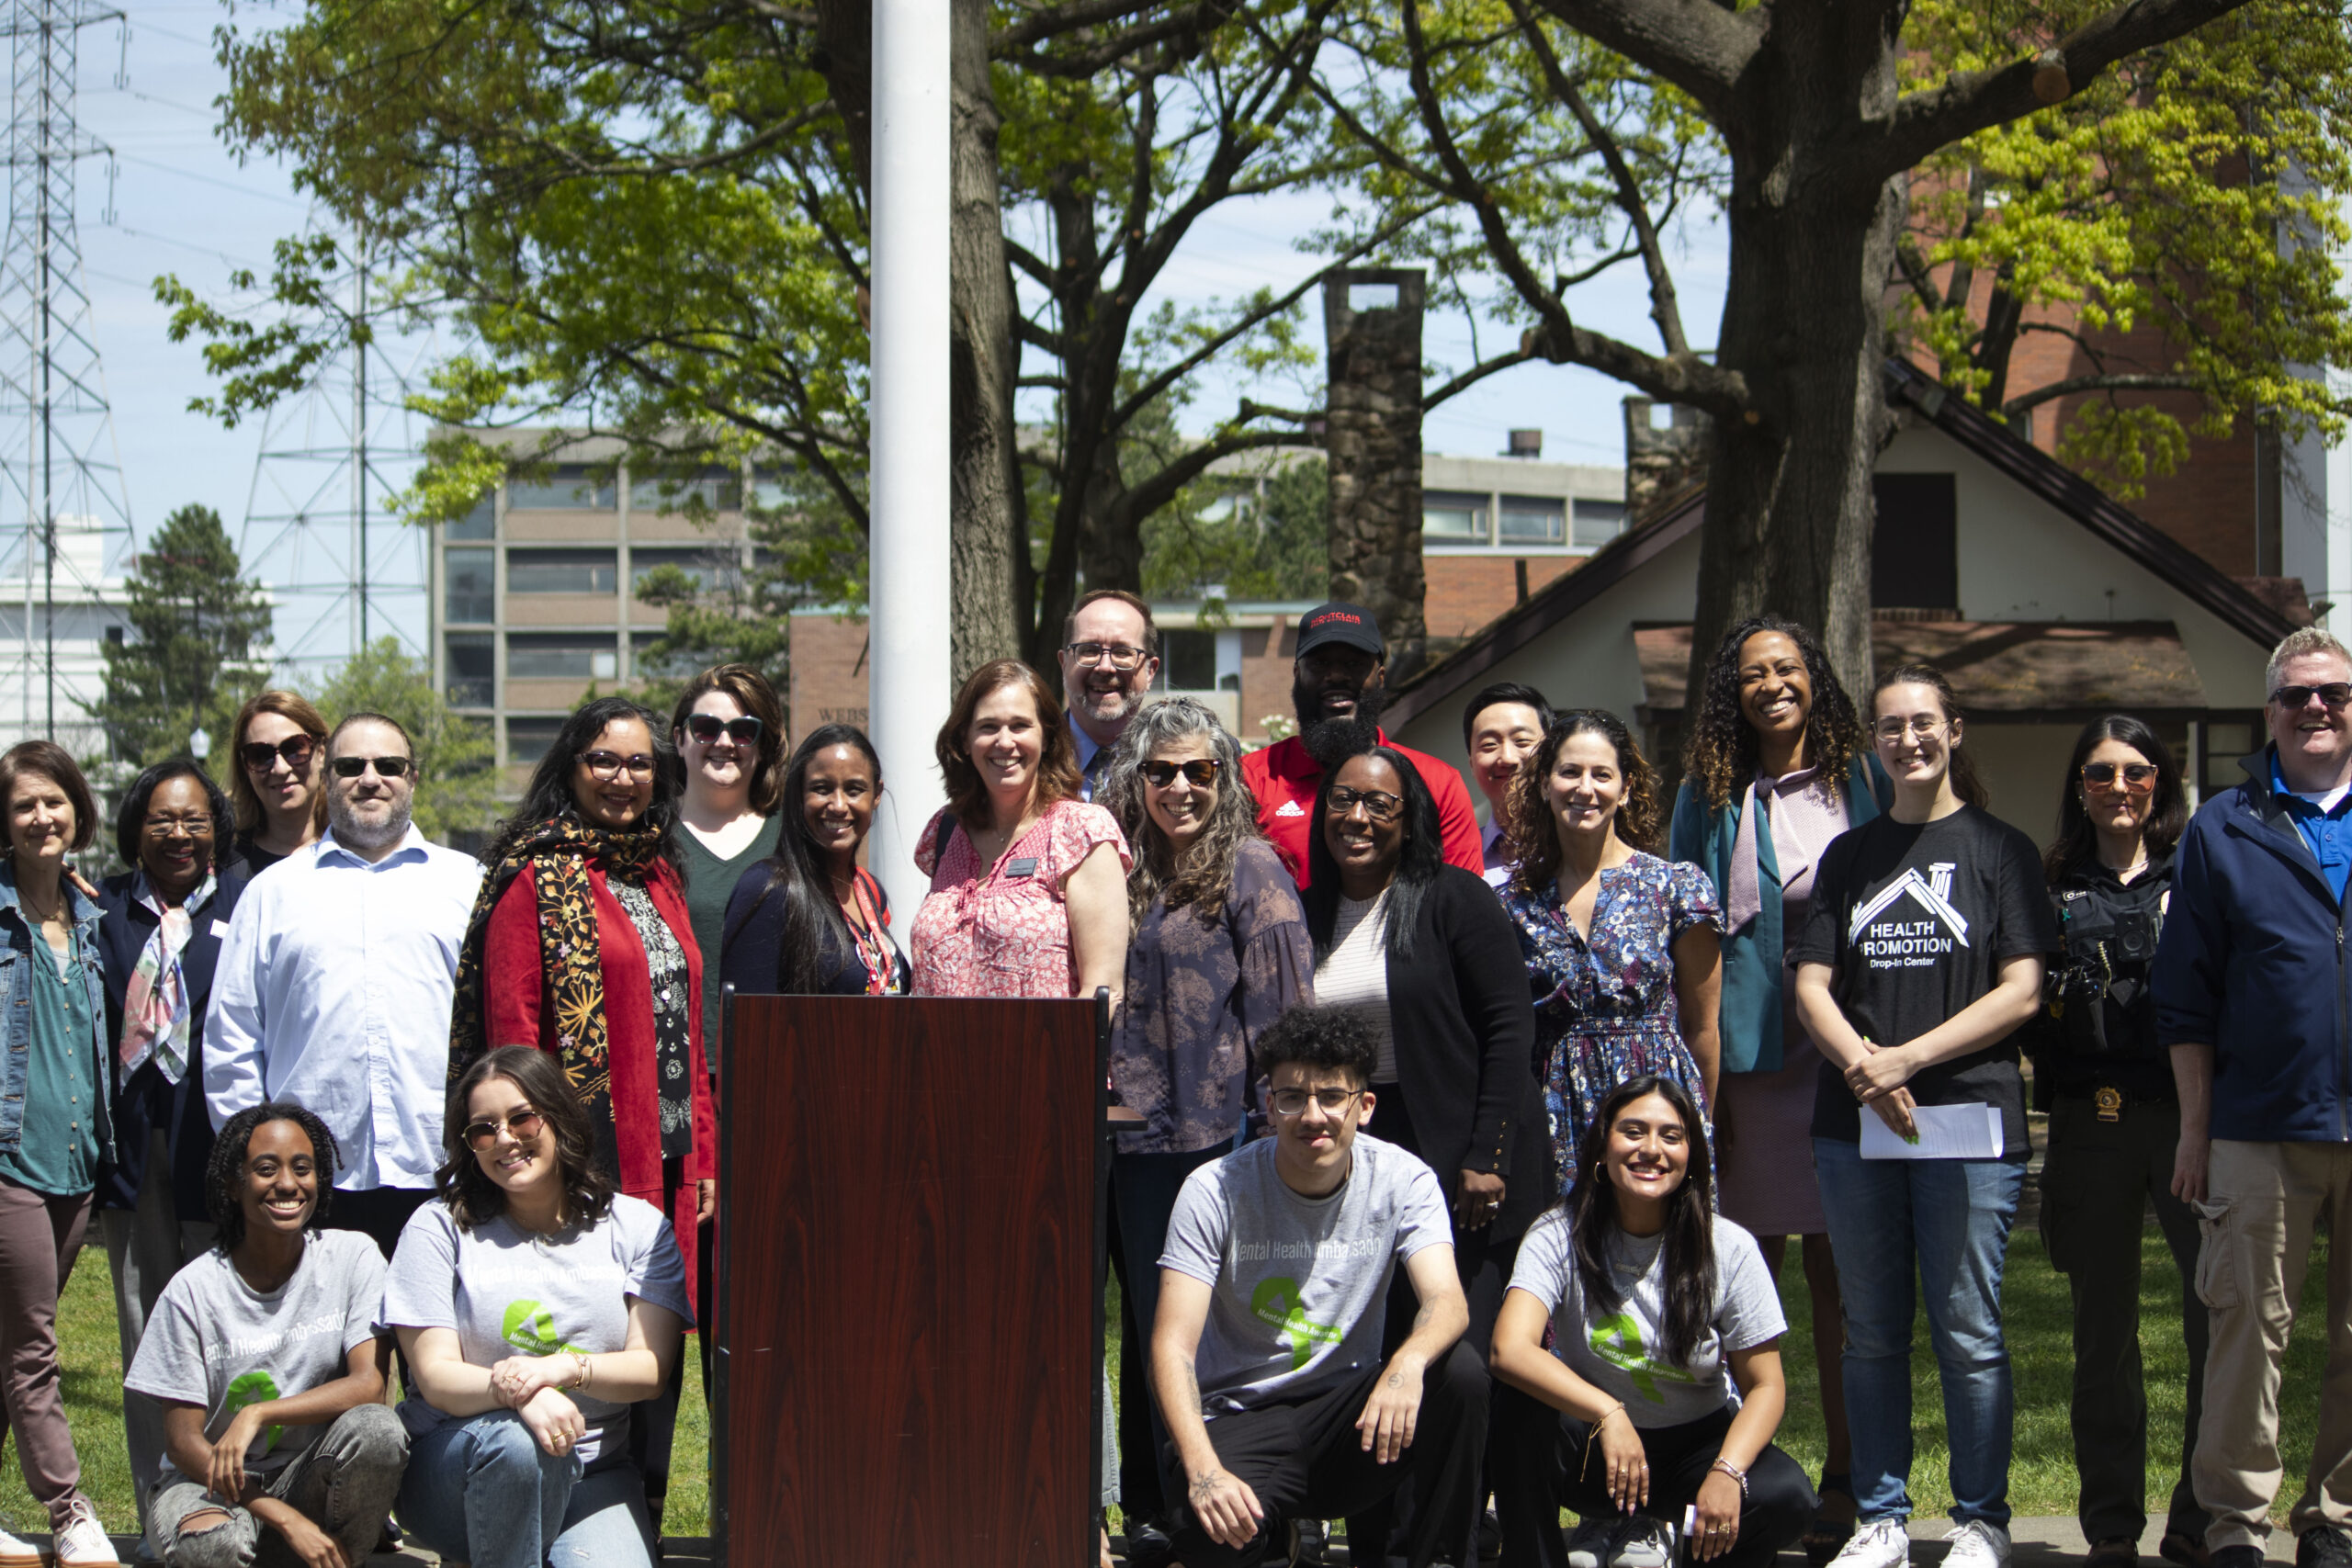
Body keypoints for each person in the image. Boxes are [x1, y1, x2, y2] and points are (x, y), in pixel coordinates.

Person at [1792, 665, 2054, 1568]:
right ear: (1874, 742)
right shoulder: (1848, 857)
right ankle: (1881, 1519)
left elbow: (2022, 990)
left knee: (1968, 1331)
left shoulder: (2001, 850)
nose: (1908, 739)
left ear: (1954, 730)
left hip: (1969, 1122)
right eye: (1890, 726)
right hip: (1856, 1127)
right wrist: (1865, 1071)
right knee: (1869, 1329)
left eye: (1923, 722)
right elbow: (1812, 985)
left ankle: (1981, 1520)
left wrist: (1904, 1058)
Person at [1667, 615, 1881, 1563]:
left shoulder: (1862, 781)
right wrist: (1699, 1080)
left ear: (1813, 678)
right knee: (1744, 1280)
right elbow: (1690, 940)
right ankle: (1735, 1480)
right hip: (1751, 1064)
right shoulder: (1707, 795)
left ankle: (1848, 1475)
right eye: (1752, 674)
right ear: (1734, 692)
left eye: (1786, 668)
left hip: (1844, 1052)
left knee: (1844, 1278)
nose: (1772, 685)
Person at [1150, 1004, 1488, 1568]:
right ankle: (1274, 1540)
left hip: (1352, 1417)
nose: (1313, 1116)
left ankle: (1440, 1558)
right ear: (1269, 1106)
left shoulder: (1404, 1179)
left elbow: (1446, 1301)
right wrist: (1204, 1470)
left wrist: (1406, 1366)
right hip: (1244, 1415)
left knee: (1460, 1375)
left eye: (1332, 1096)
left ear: (1365, 1106)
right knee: (1207, 1535)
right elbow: (1172, 1347)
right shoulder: (1213, 1190)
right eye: (1292, 1097)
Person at [1101, 697, 1315, 1559]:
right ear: (1138, 777)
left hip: (1220, 1140)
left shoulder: (1251, 867)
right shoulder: (1124, 865)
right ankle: (1163, 1505)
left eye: (1200, 769)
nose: (1181, 787)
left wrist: (1280, 1137)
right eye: (1162, 771)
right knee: (1151, 1328)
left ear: (1225, 776)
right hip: (1131, 1143)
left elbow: (1285, 1017)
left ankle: (1248, 1512)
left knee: (1224, 1333)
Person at [2156, 625, 2352, 1568]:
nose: (2316, 707)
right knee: (2245, 1333)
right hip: (2256, 1127)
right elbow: (2185, 996)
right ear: (2269, 713)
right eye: (2296, 695)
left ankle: (2336, 1518)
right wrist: (2195, 1131)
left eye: (2334, 693)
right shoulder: (2223, 827)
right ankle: (2234, 1525)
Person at [382, 1046, 691, 1568]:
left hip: (591, 1471)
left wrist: (562, 1369)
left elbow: (650, 1370)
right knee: (517, 1446)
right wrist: (522, 1396)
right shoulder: (438, 1226)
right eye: (483, 1130)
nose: (505, 1138)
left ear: (559, 1117)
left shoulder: (636, 1228)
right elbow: (434, 1376)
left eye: (521, 1118)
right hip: (456, 1466)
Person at [1491, 1076, 1812, 1568]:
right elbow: (1509, 1349)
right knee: (1517, 1406)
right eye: (1633, 1131)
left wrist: (1726, 1471)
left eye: (1671, 1136)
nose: (1651, 1149)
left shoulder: (1729, 1247)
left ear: (1690, 1156)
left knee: (1785, 1496)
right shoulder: (1557, 1232)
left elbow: (1766, 1386)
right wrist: (1608, 1412)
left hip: (1695, 1448)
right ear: (1603, 1147)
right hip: (1595, 1449)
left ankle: (1691, 1545)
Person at [2021, 716, 2203, 1568]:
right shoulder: (2048, 882)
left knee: (2217, 1320)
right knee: (2103, 1332)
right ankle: (2111, 1526)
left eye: (2137, 771)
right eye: (2101, 773)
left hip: (2192, 1118)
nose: (2120, 787)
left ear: (2160, 781)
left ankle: (2200, 1517)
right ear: (2080, 786)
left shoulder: (2198, 871)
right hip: (2091, 1122)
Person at [207, 712, 486, 1258]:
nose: (370, 778)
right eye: (351, 765)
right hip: (310, 1182)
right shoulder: (271, 893)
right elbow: (232, 1039)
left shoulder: (467, 882)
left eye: (389, 765)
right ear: (326, 777)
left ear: (413, 777)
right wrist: (254, 1155)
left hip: (444, 1167)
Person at [128, 1103, 407, 1568]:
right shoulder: (192, 1291)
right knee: (209, 1546)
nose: (288, 1184)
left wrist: (257, 1413)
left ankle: (336, 1558)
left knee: (379, 1431)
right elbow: (182, 1444)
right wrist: (280, 1516)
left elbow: (368, 1386)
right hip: (208, 1487)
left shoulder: (353, 1257)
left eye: (302, 1168)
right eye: (266, 1169)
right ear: (233, 1185)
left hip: (310, 1481)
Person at [96, 759, 249, 1550]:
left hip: (218, 1147)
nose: (179, 833)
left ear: (217, 827)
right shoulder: (103, 909)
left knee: (229, 1328)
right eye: (162, 819)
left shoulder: (247, 900)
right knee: (145, 1326)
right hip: (132, 1147)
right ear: (136, 829)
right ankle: (160, 1510)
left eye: (194, 819)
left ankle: (234, 1501)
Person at [1499, 711, 1721, 1197]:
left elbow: (1703, 1027)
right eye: (1570, 772)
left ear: (1624, 790)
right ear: (1544, 785)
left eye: (1602, 775)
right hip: (1554, 1107)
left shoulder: (1674, 887)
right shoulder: (1513, 903)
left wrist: (1698, 1123)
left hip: (1655, 1104)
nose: (1585, 788)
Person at [0, 741, 118, 1568]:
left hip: (76, 1163)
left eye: (54, 801)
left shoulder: (92, 916)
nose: (42, 817)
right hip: (9, 1161)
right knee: (34, 1347)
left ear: (78, 808)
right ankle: (69, 1508)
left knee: (8, 1341)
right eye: (24, 805)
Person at [910, 659, 1131, 1001]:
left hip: (1044, 1038)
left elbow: (1104, 992)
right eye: (988, 727)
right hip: (935, 1038)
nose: (1004, 742)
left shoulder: (1081, 831)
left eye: (1020, 726)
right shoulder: (946, 829)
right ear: (965, 740)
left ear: (1047, 737)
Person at [1241, 603, 1482, 886]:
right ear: (1297, 675)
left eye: (1354, 664)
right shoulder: (1250, 779)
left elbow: (1462, 900)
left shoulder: (1438, 784)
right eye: (1320, 664)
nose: (1336, 676)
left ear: (1380, 677)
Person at [723, 724, 910, 998]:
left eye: (854, 790)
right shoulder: (767, 890)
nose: (838, 805)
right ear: (798, 794)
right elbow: (746, 1021)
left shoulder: (870, 891)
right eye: (821, 789)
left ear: (876, 795)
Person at [668, 665, 786, 1060]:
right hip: (670, 1065)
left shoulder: (792, 837)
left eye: (743, 731)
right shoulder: (648, 837)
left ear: (762, 746)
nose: (724, 742)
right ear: (679, 740)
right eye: (705, 728)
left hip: (770, 1061)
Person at [1060, 588, 1162, 801]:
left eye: (1122, 652)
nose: (1105, 667)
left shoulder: (1179, 766)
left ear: (1150, 672)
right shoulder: (1028, 758)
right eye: (1089, 650)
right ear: (1064, 664)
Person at [226, 692, 330, 876]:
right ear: (244, 766)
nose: (280, 769)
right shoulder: (225, 867)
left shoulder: (361, 852)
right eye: (261, 755)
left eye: (295, 749)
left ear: (321, 753)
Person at [1463, 682, 1553, 887]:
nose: (1507, 758)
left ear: (1550, 752)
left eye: (1522, 741)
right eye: (1489, 745)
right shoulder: (1458, 860)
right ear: (1471, 764)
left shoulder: (1582, 843)